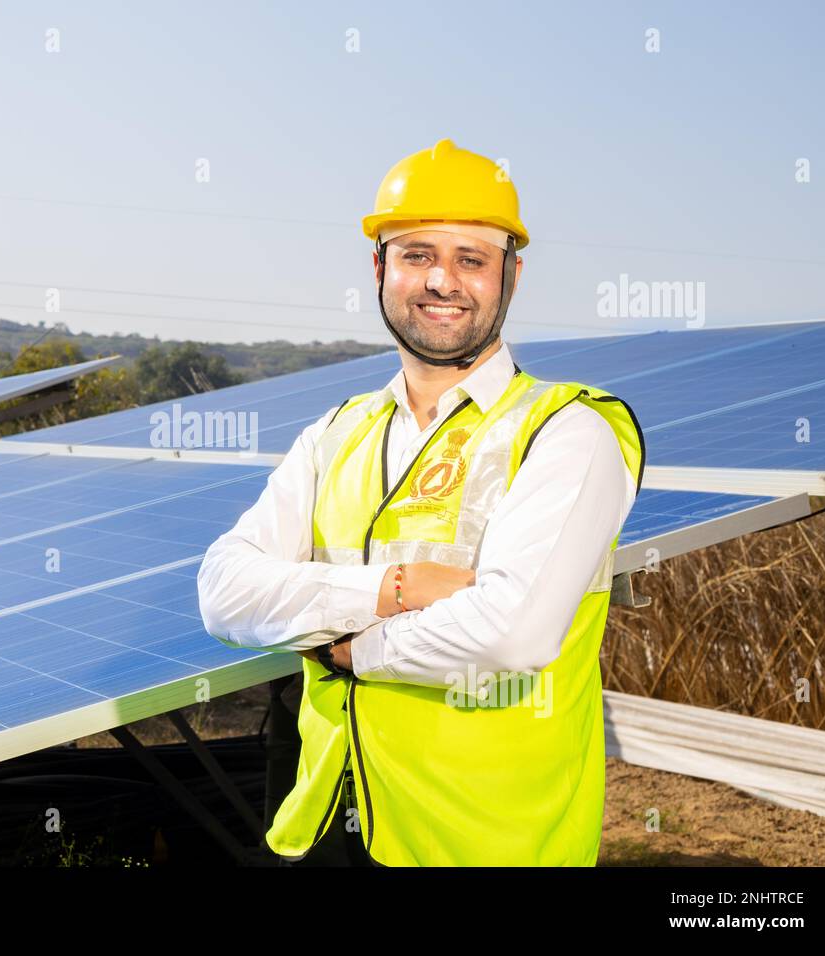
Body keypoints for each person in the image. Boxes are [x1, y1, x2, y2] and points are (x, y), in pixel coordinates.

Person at [197, 138, 646, 866]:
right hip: (324, 824)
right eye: (416, 255)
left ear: (511, 277)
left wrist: (351, 648)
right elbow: (223, 591)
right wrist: (392, 587)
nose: (443, 280)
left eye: (472, 258)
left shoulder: (567, 432)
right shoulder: (335, 434)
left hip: (489, 844)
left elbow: (512, 636)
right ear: (378, 269)